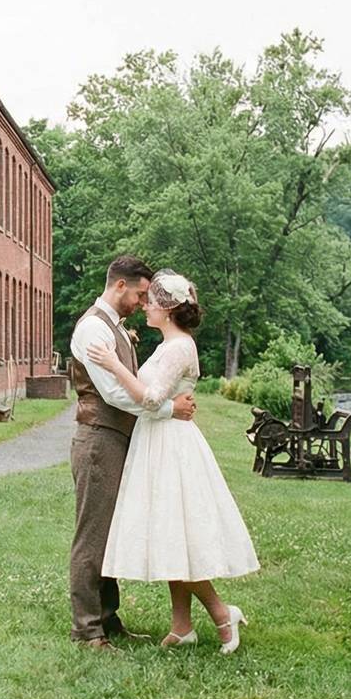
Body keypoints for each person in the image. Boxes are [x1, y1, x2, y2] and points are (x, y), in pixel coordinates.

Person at [86, 268, 259, 652]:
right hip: (157, 439)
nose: (144, 306)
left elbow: (148, 399)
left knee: (177, 535)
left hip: (171, 445)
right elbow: (156, 396)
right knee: (169, 536)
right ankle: (182, 625)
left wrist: (113, 363)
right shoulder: (168, 345)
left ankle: (220, 612)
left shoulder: (180, 347)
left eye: (151, 302)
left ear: (167, 309)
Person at [65, 255, 197, 650]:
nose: (143, 303)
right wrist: (172, 409)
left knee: (110, 533)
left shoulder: (116, 328)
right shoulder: (92, 329)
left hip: (118, 439)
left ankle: (108, 619)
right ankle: (87, 629)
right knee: (93, 535)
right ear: (119, 285)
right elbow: (115, 393)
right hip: (98, 439)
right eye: (140, 294)